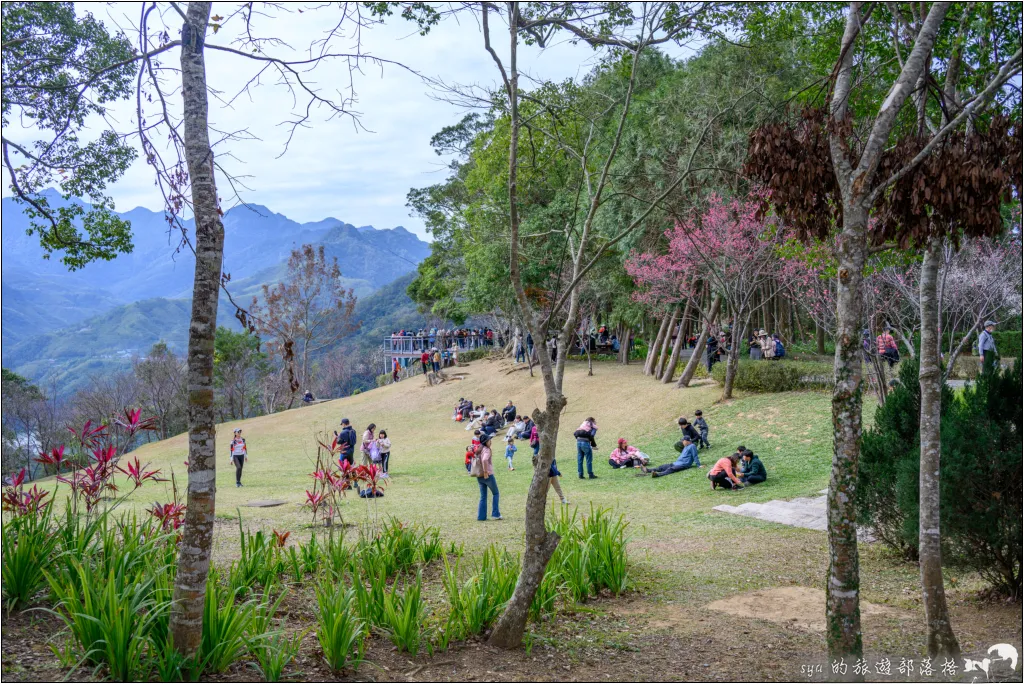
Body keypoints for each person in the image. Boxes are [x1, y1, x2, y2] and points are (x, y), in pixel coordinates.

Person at [474, 434, 501, 521]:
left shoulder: (479, 449)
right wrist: (486, 471)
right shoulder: (486, 450)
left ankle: (481, 517)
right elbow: (485, 460)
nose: (491, 441)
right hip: (487, 475)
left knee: (483, 496)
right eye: (489, 440)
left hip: (479, 475)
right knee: (496, 493)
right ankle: (495, 514)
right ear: (486, 441)